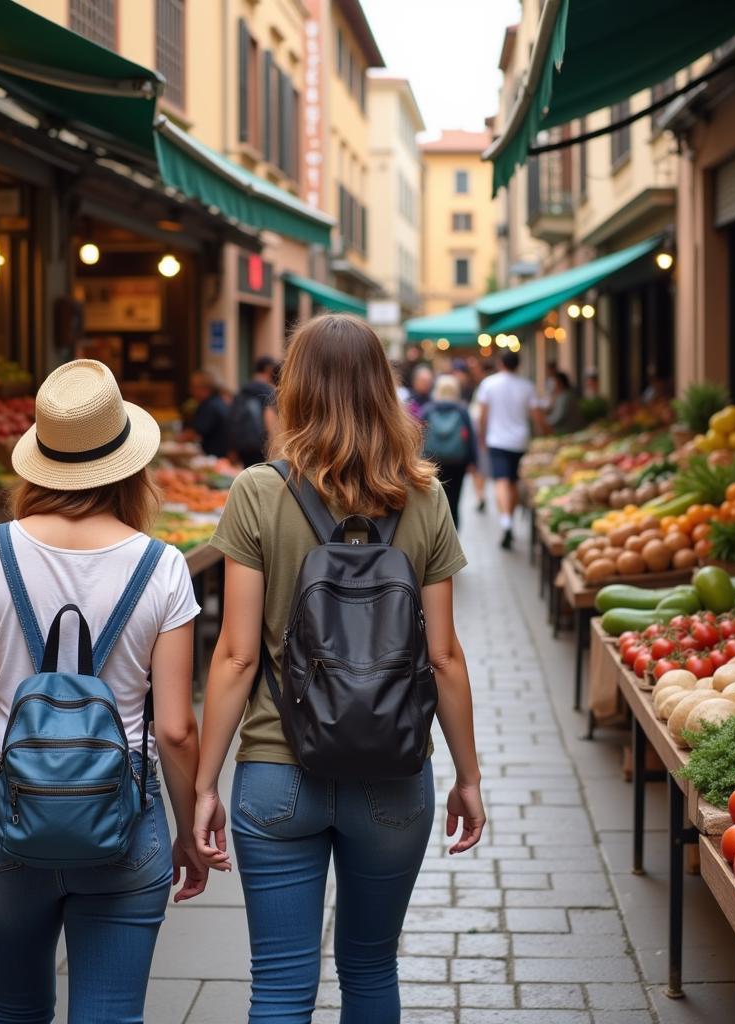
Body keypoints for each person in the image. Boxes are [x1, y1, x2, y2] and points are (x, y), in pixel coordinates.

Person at [193, 314, 485, 1023]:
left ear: (294, 390)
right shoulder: (423, 496)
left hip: (276, 770)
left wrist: (202, 784)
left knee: (281, 987)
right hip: (394, 773)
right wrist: (468, 777)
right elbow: (443, 655)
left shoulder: (259, 493)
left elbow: (234, 655)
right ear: (383, 390)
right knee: (370, 966)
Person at [0, 359, 206, 1022]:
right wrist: (188, 832)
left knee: (14, 1011)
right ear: (129, 464)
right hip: (126, 821)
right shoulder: (162, 567)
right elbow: (175, 730)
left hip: (4, 820)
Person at [475, 350, 538, 550]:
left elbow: (482, 415)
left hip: (497, 440)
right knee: (513, 482)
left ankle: (506, 521)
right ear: (518, 364)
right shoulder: (527, 385)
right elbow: (535, 414)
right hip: (520, 441)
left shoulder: (489, 383)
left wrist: (482, 437)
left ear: (501, 363)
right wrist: (546, 432)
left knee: (501, 482)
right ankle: (510, 519)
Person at [421, 374, 477, 528]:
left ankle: (436, 533)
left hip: (432, 461)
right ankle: (453, 535)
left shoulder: (428, 409)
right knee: (455, 500)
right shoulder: (462, 410)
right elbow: (471, 438)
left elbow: (419, 436)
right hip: (458, 462)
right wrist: (473, 461)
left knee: (433, 499)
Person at [228, 355, 279, 467]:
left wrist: (233, 447)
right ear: (268, 369)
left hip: (242, 446)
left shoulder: (242, 390)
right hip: (261, 446)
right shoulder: (268, 392)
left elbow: (232, 418)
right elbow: (270, 422)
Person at [468, 358, 496, 514]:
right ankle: (480, 495)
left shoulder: (485, 386)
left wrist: (481, 435)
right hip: (494, 434)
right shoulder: (487, 386)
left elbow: (480, 414)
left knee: (478, 466)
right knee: (482, 466)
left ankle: (480, 495)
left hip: (482, 431)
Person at [184, 369, 230, 458]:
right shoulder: (218, 401)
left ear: (205, 389)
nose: (191, 391)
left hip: (217, 456)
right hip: (222, 454)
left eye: (194, 387)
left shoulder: (209, 406)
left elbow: (194, 433)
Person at [536, 369, 586, 435]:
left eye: (554, 383)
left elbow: (558, 417)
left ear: (559, 383)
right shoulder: (564, 395)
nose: (552, 386)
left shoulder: (564, 397)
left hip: (568, 432)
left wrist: (543, 420)